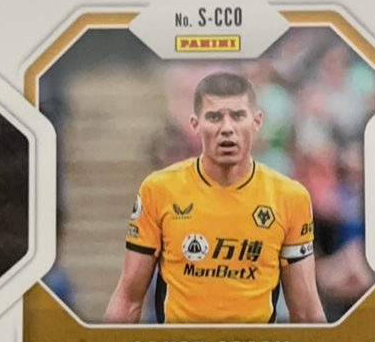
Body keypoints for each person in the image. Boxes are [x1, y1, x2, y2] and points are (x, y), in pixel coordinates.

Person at [104, 71, 326, 324]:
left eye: (238, 116)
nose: (227, 128)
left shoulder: (290, 197)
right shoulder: (159, 190)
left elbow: (306, 311)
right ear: (195, 125)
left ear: (256, 122)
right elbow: (128, 299)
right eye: (214, 117)